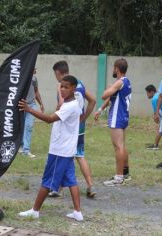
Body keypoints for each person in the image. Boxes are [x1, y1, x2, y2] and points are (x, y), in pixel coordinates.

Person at [18, 75, 83, 221]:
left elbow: (49, 120)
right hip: (67, 151)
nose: (62, 89)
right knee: (71, 181)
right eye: (61, 86)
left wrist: (29, 109)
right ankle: (77, 212)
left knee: (47, 181)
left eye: (66, 87)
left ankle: (35, 211)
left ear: (73, 88)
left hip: (60, 151)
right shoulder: (74, 103)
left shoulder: (70, 106)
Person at [48, 60, 97, 198]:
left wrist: (56, 112)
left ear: (58, 73)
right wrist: (84, 117)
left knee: (62, 155)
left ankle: (57, 188)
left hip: (68, 128)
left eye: (55, 74)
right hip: (79, 127)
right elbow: (92, 100)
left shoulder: (61, 85)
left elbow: (61, 104)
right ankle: (90, 185)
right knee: (80, 155)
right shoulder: (79, 83)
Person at [95, 58, 132, 186]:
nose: (113, 69)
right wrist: (100, 109)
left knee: (118, 147)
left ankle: (118, 177)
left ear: (117, 68)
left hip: (117, 117)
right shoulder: (126, 82)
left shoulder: (119, 82)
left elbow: (104, 95)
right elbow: (112, 98)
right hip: (123, 117)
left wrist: (110, 87)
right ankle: (125, 173)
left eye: (113, 67)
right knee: (122, 145)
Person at [19, 68, 44, 158]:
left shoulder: (34, 78)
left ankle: (26, 150)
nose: (35, 70)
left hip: (32, 105)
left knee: (28, 126)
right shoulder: (21, 77)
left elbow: (36, 91)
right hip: (21, 105)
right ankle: (20, 146)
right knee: (20, 126)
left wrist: (41, 103)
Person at [145, 84, 162, 150]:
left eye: (147, 93)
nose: (147, 95)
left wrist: (155, 117)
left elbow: (156, 111)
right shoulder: (159, 94)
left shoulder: (154, 99)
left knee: (161, 130)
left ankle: (155, 145)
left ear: (151, 92)